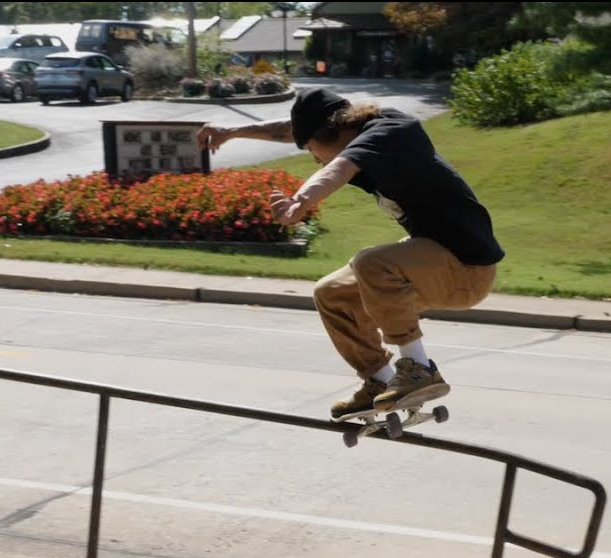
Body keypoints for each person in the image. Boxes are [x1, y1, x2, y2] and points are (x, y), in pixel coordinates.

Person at [196, 88, 504, 420]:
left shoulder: (389, 131)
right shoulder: (349, 128)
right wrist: (232, 132)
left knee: (371, 263)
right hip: (433, 263)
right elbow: (293, 129)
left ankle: (418, 369)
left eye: (313, 149)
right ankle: (379, 380)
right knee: (331, 294)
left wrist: (301, 201)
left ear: (331, 134)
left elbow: (337, 169)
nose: (315, 158)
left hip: (466, 269)